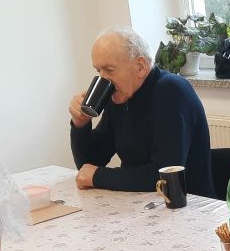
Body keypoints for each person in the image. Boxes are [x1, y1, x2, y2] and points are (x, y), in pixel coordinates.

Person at [68, 27, 214, 196]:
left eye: (110, 70)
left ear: (140, 67)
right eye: (98, 71)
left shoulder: (171, 90)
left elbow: (165, 175)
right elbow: (87, 166)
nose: (103, 78)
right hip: (143, 202)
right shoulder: (119, 96)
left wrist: (98, 176)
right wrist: (80, 125)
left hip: (188, 204)